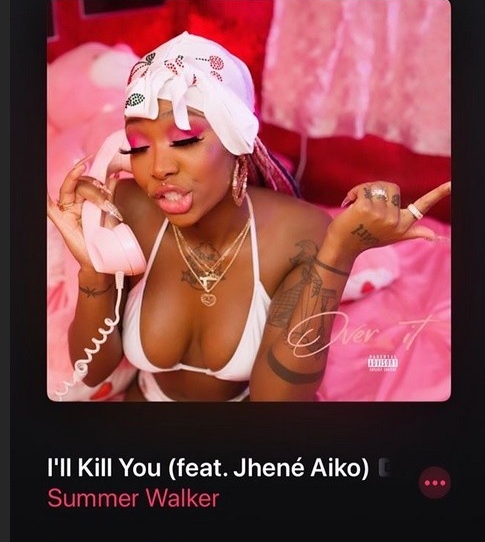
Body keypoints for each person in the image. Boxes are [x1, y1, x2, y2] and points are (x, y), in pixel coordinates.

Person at [46, 31, 451, 402]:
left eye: (184, 140)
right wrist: (94, 272)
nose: (158, 168)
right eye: (138, 146)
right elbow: (94, 369)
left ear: (237, 141)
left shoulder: (298, 231)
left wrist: (338, 256)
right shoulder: (126, 207)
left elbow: (277, 402)